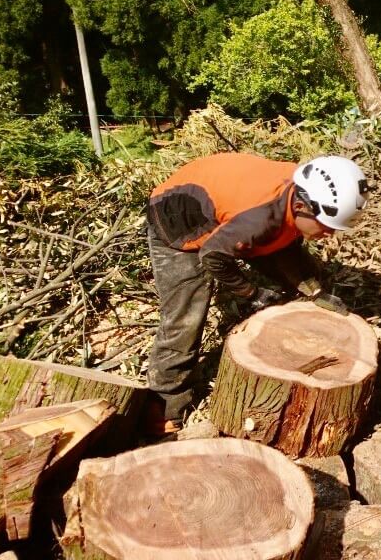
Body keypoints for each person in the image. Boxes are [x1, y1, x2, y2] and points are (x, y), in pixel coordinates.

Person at [143, 152, 367, 435]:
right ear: (300, 205)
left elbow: (282, 244)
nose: (330, 235)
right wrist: (251, 293)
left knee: (305, 270)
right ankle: (163, 404)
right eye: (325, 227)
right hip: (177, 221)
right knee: (185, 315)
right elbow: (212, 257)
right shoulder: (260, 216)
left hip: (233, 214)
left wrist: (314, 290)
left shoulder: (301, 193)